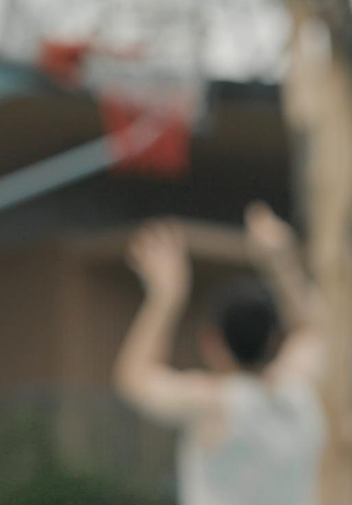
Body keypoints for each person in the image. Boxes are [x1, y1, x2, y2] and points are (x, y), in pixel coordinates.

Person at [113, 202, 327, 505]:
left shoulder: (215, 403)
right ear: (277, 341)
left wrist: (165, 297)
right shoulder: (300, 398)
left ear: (212, 343)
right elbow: (314, 331)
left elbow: (134, 378)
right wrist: (281, 263)